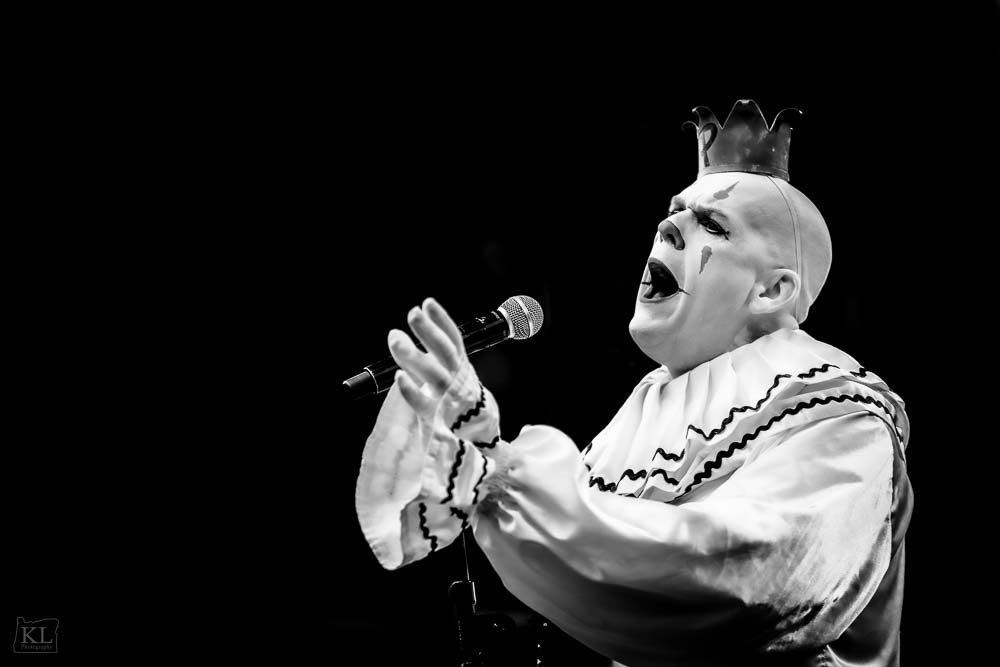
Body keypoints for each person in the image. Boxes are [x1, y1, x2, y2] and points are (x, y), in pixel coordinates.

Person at [355, 100, 912, 667]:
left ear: (772, 292)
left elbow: (753, 581)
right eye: (674, 212)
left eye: (712, 225)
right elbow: (595, 585)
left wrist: (505, 481)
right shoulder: (646, 408)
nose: (667, 227)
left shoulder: (835, 410)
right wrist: (468, 470)